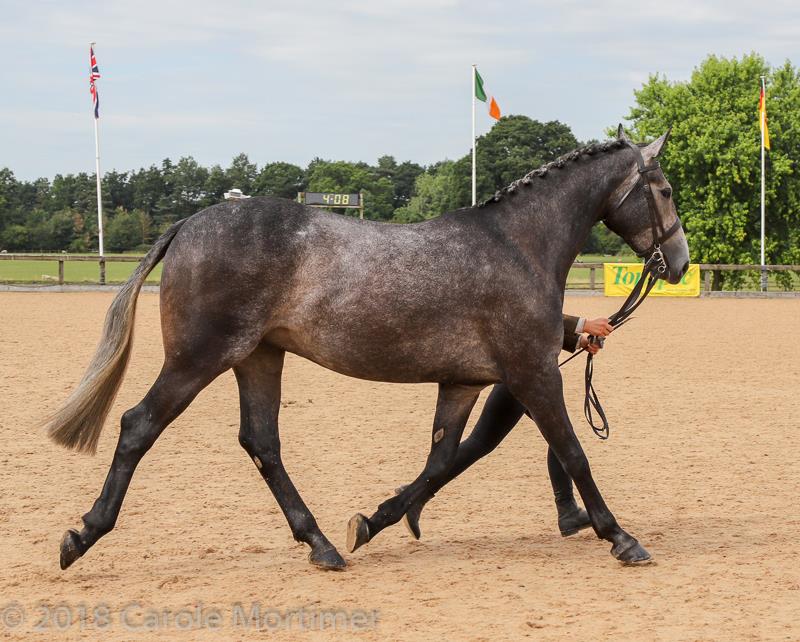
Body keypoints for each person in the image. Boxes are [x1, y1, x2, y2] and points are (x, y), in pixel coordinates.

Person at [402, 315, 615, 539]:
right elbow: (529, 314)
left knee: (553, 437)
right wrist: (583, 325)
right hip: (523, 372)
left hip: (524, 368)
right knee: (487, 441)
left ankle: (568, 509)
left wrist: (579, 341)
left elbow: (540, 316)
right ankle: (415, 494)